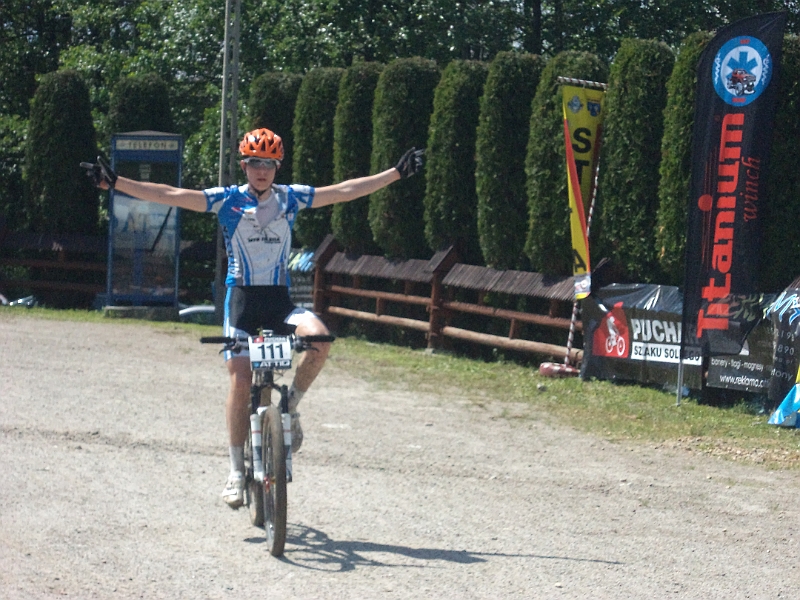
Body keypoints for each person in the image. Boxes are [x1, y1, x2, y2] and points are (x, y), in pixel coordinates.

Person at [81, 129, 424, 508]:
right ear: (244, 165)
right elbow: (171, 195)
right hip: (242, 303)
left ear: (277, 168)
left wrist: (396, 173)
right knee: (241, 379)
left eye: (270, 164)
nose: (262, 170)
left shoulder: (290, 198)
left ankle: (291, 406)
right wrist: (117, 183)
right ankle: (234, 471)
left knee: (320, 339)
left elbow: (344, 190)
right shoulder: (226, 200)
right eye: (255, 163)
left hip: (279, 302)